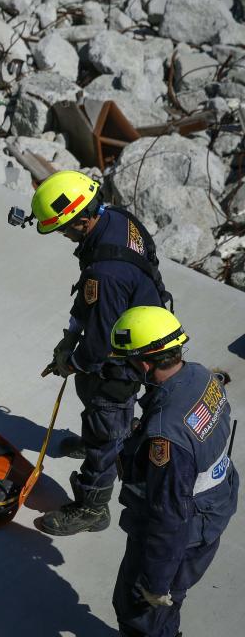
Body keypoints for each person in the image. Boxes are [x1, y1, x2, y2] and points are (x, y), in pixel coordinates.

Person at [30, 171, 171, 536]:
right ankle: (110, 436)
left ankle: (92, 507)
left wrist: (71, 362)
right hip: (144, 324)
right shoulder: (117, 221)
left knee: (105, 418)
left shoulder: (105, 273)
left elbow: (98, 346)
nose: (63, 235)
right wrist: (70, 335)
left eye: (63, 229)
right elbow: (93, 307)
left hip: (126, 355)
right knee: (102, 413)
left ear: (81, 219)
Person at [108, 306, 238, 637]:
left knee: (141, 611)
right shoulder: (201, 376)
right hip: (213, 509)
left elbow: (168, 516)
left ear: (144, 362)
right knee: (166, 609)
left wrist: (155, 581)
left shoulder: (166, 436)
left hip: (183, 533)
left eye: (128, 360)